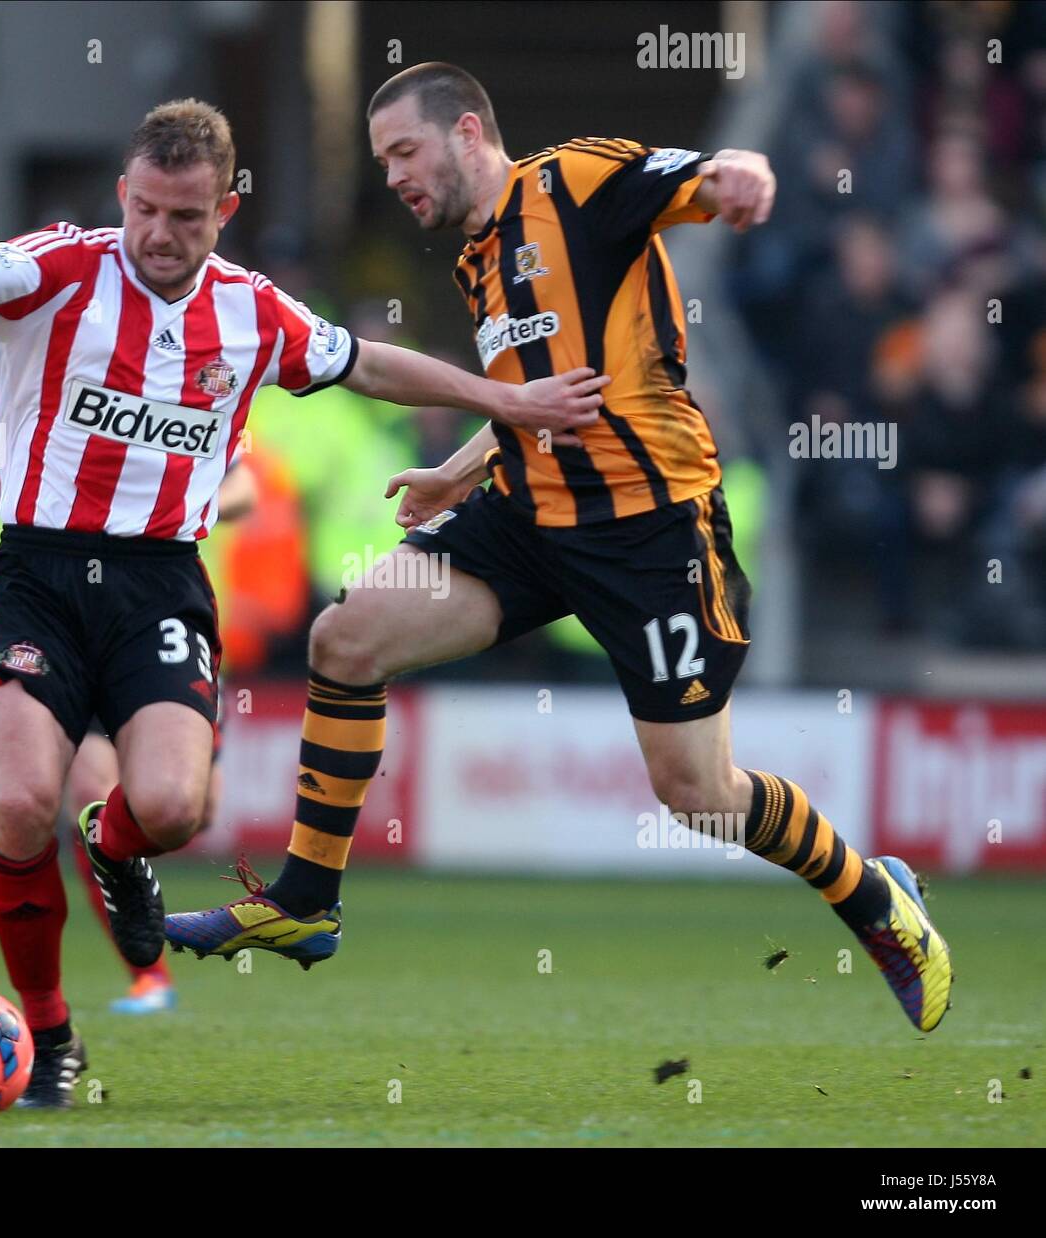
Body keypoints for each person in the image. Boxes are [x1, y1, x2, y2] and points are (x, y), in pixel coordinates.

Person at [165, 64, 953, 1036]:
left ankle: (871, 895)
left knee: (697, 792)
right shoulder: (479, 257)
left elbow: (704, 174)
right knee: (346, 636)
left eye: (403, 152)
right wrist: (459, 472)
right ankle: (304, 901)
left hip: (650, 526)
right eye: (382, 162)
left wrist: (741, 173)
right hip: (528, 515)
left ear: (464, 131)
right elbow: (539, 393)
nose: (395, 177)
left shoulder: (573, 181)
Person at [0, 97, 602, 1107]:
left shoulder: (250, 309)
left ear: (223, 209)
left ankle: (113, 849)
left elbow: (365, 363)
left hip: (158, 584)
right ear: (122, 196)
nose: (160, 233)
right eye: (145, 208)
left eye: (185, 216)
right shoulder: (58, 267)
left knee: (175, 809)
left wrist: (504, 400)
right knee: (17, 805)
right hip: (39, 575)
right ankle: (51, 1033)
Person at [0, 386, 257, 1013]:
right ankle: (144, 977)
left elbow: (246, 487)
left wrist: (188, 508)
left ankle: (115, 853)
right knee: (72, 789)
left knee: (189, 812)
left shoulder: (165, 383)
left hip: (160, 616)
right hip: (55, 622)